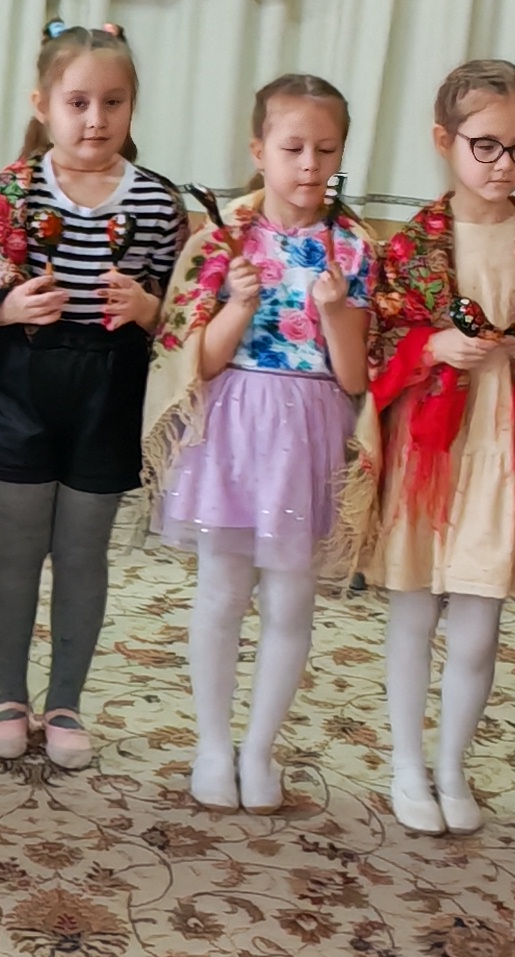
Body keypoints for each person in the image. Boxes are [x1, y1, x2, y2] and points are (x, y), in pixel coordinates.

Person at [0, 22, 186, 771]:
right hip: (23, 384)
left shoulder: (157, 201)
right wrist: (6, 309)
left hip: (109, 390)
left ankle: (67, 700)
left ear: (133, 106)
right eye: (77, 102)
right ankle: (8, 697)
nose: (95, 120)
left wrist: (150, 310)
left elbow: (190, 312)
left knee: (82, 551)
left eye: (114, 102)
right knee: (17, 546)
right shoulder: (11, 193)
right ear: (42, 104)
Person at [366, 58, 515, 835]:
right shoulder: (410, 248)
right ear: (444, 140)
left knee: (478, 625)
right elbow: (375, 345)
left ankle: (451, 765)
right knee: (413, 610)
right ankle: (407, 763)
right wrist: (431, 346)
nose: (504, 165)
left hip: (508, 453)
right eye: (486, 146)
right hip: (428, 453)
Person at [157, 73, 376, 813]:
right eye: (292, 148)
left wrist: (337, 311)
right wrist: (240, 303)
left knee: (291, 601)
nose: (310, 165)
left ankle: (259, 751)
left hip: (310, 431)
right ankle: (211, 745)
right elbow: (200, 361)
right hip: (235, 425)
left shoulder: (353, 247)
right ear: (259, 150)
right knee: (221, 592)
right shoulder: (226, 238)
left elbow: (354, 376)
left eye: (326, 150)